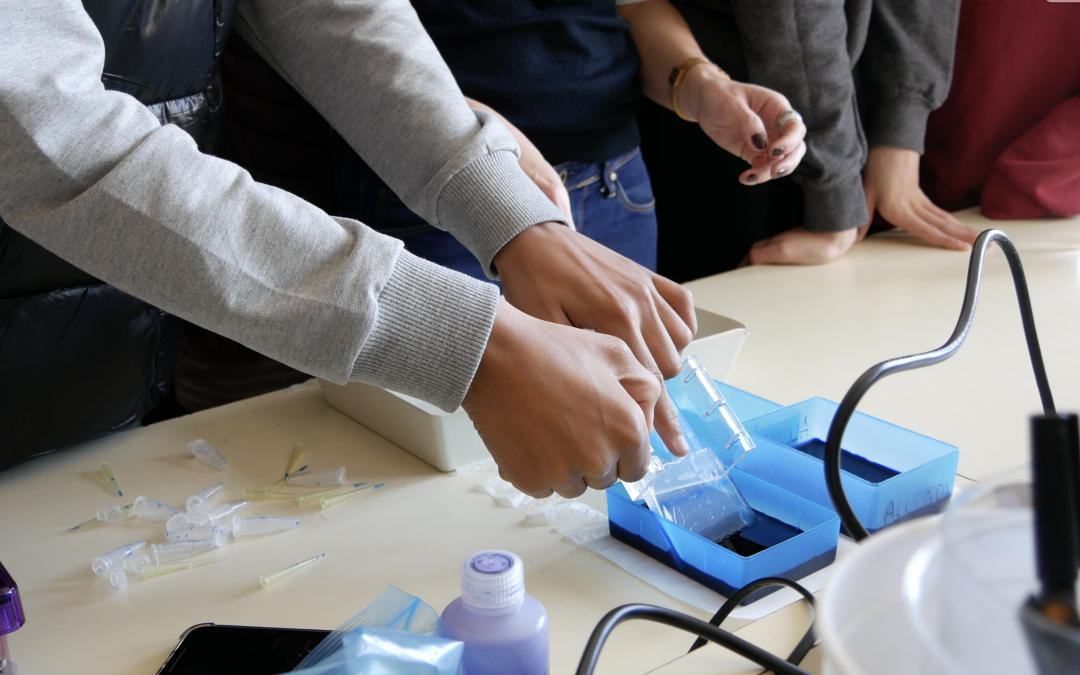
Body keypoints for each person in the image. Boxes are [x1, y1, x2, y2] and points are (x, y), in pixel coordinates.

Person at [0, 0, 704, 499]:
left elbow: (335, 13)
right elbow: (45, 131)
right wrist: (465, 344)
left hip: (104, 357)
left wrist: (516, 220)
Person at [327, 0, 806, 281]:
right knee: (448, 442)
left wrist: (700, 84)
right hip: (440, 192)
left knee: (634, 416)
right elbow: (345, 35)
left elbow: (630, 5)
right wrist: (482, 143)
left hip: (615, 188)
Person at [640, 0, 979, 277]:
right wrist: (835, 193)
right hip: (725, 114)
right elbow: (792, 14)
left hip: (837, 131)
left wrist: (896, 136)